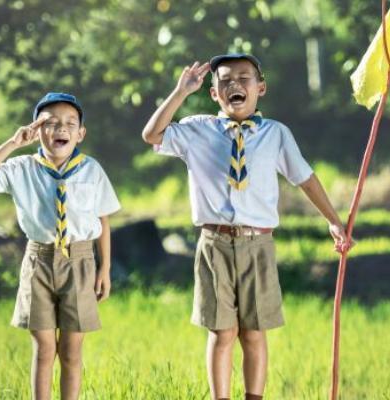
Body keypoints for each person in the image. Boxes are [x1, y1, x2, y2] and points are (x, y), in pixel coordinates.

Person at [142, 54, 352, 400]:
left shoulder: (276, 134)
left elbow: (305, 178)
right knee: (222, 332)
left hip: (258, 244)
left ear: (260, 88)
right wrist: (181, 92)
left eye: (244, 78)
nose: (234, 85)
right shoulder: (197, 129)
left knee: (253, 333)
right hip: (215, 243)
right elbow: (152, 135)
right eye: (224, 80)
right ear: (214, 94)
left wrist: (333, 221)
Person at [0, 92, 120, 400]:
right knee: (44, 347)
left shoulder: (91, 169)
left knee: (71, 350)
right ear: (38, 131)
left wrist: (104, 269)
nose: (60, 129)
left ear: (81, 133)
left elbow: (103, 220)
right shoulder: (22, 167)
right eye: (50, 123)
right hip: (38, 259)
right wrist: (14, 142)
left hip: (80, 260)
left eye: (69, 123)